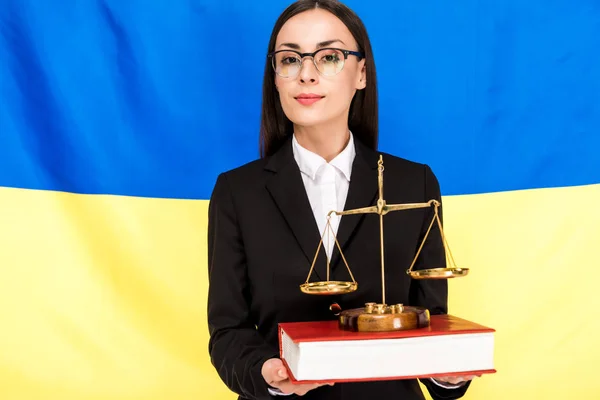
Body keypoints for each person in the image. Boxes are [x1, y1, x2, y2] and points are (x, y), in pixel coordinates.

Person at [207, 1, 479, 399]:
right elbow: (227, 333)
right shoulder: (237, 192)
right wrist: (269, 372)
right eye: (289, 59)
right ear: (276, 76)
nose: (306, 74)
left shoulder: (414, 184)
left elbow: (431, 321)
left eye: (329, 57)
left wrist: (449, 374)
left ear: (362, 73)